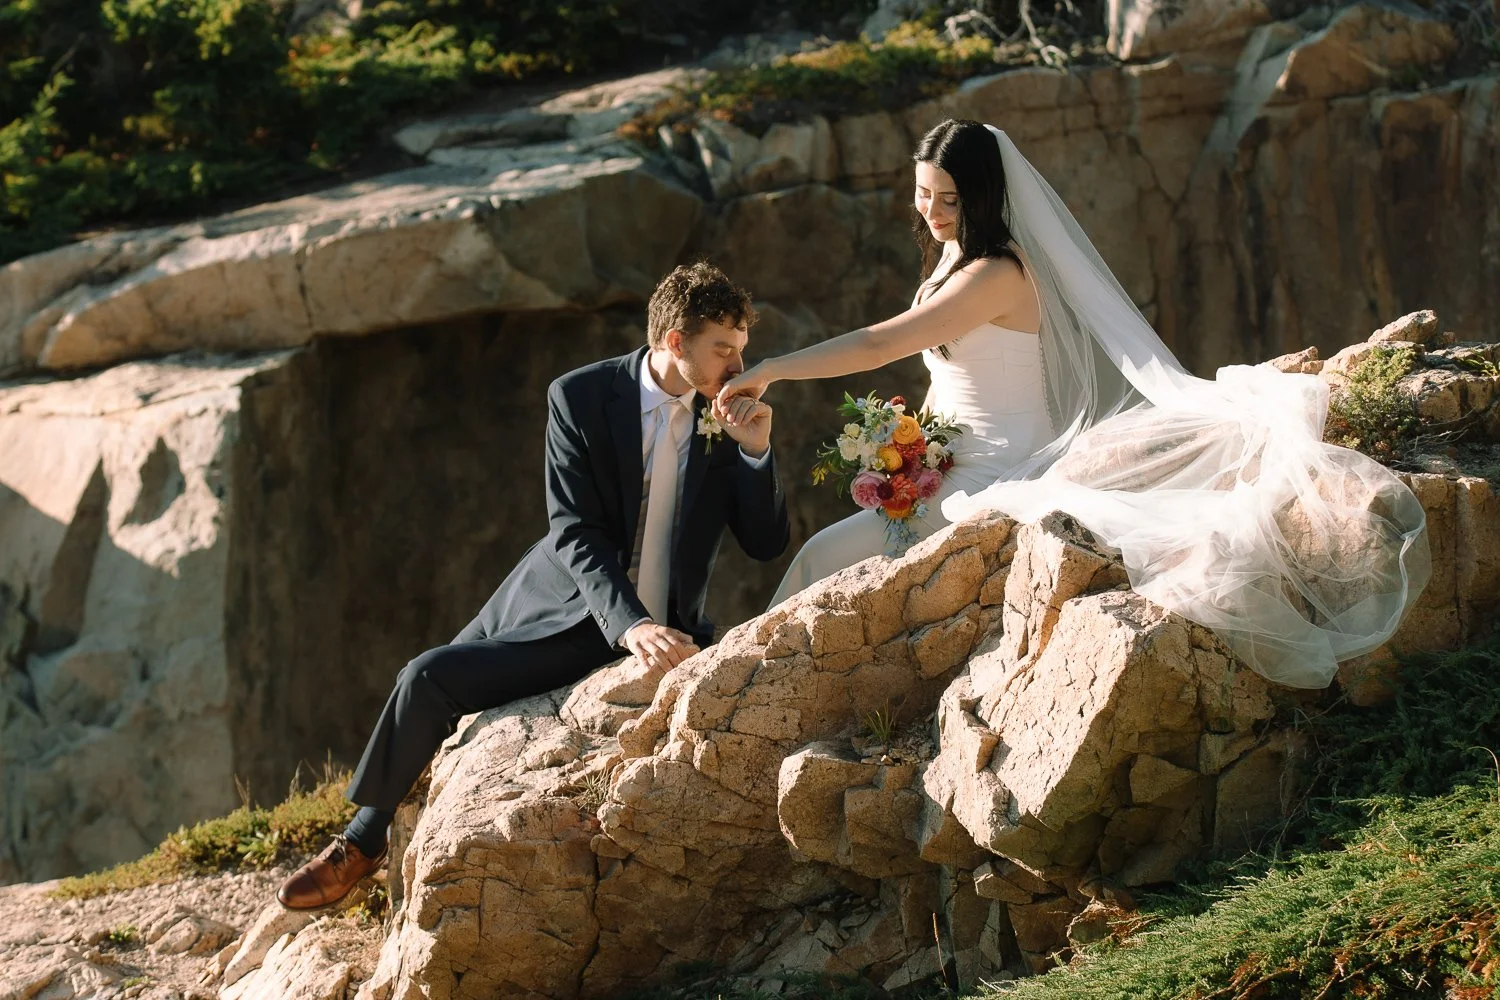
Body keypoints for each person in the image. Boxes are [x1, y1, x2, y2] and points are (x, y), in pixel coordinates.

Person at [718, 118, 1429, 690]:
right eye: (922, 193)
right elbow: (952, 374)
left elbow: (881, 345)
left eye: (948, 198)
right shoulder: (954, 257)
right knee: (825, 558)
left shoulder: (995, 273)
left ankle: (741, 685)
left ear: (985, 197)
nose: (929, 211)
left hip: (994, 475)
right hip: (949, 463)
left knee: (822, 555)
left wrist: (775, 368)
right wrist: (911, 447)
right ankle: (738, 681)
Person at [278, 262, 789, 910]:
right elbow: (574, 530)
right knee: (427, 680)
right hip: (574, 609)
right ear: (675, 342)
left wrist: (755, 452)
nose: (738, 366)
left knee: (432, 682)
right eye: (725, 350)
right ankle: (363, 838)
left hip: (662, 630)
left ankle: (372, 829)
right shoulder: (578, 396)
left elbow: (768, 544)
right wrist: (630, 625)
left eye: (742, 352)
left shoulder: (728, 416)